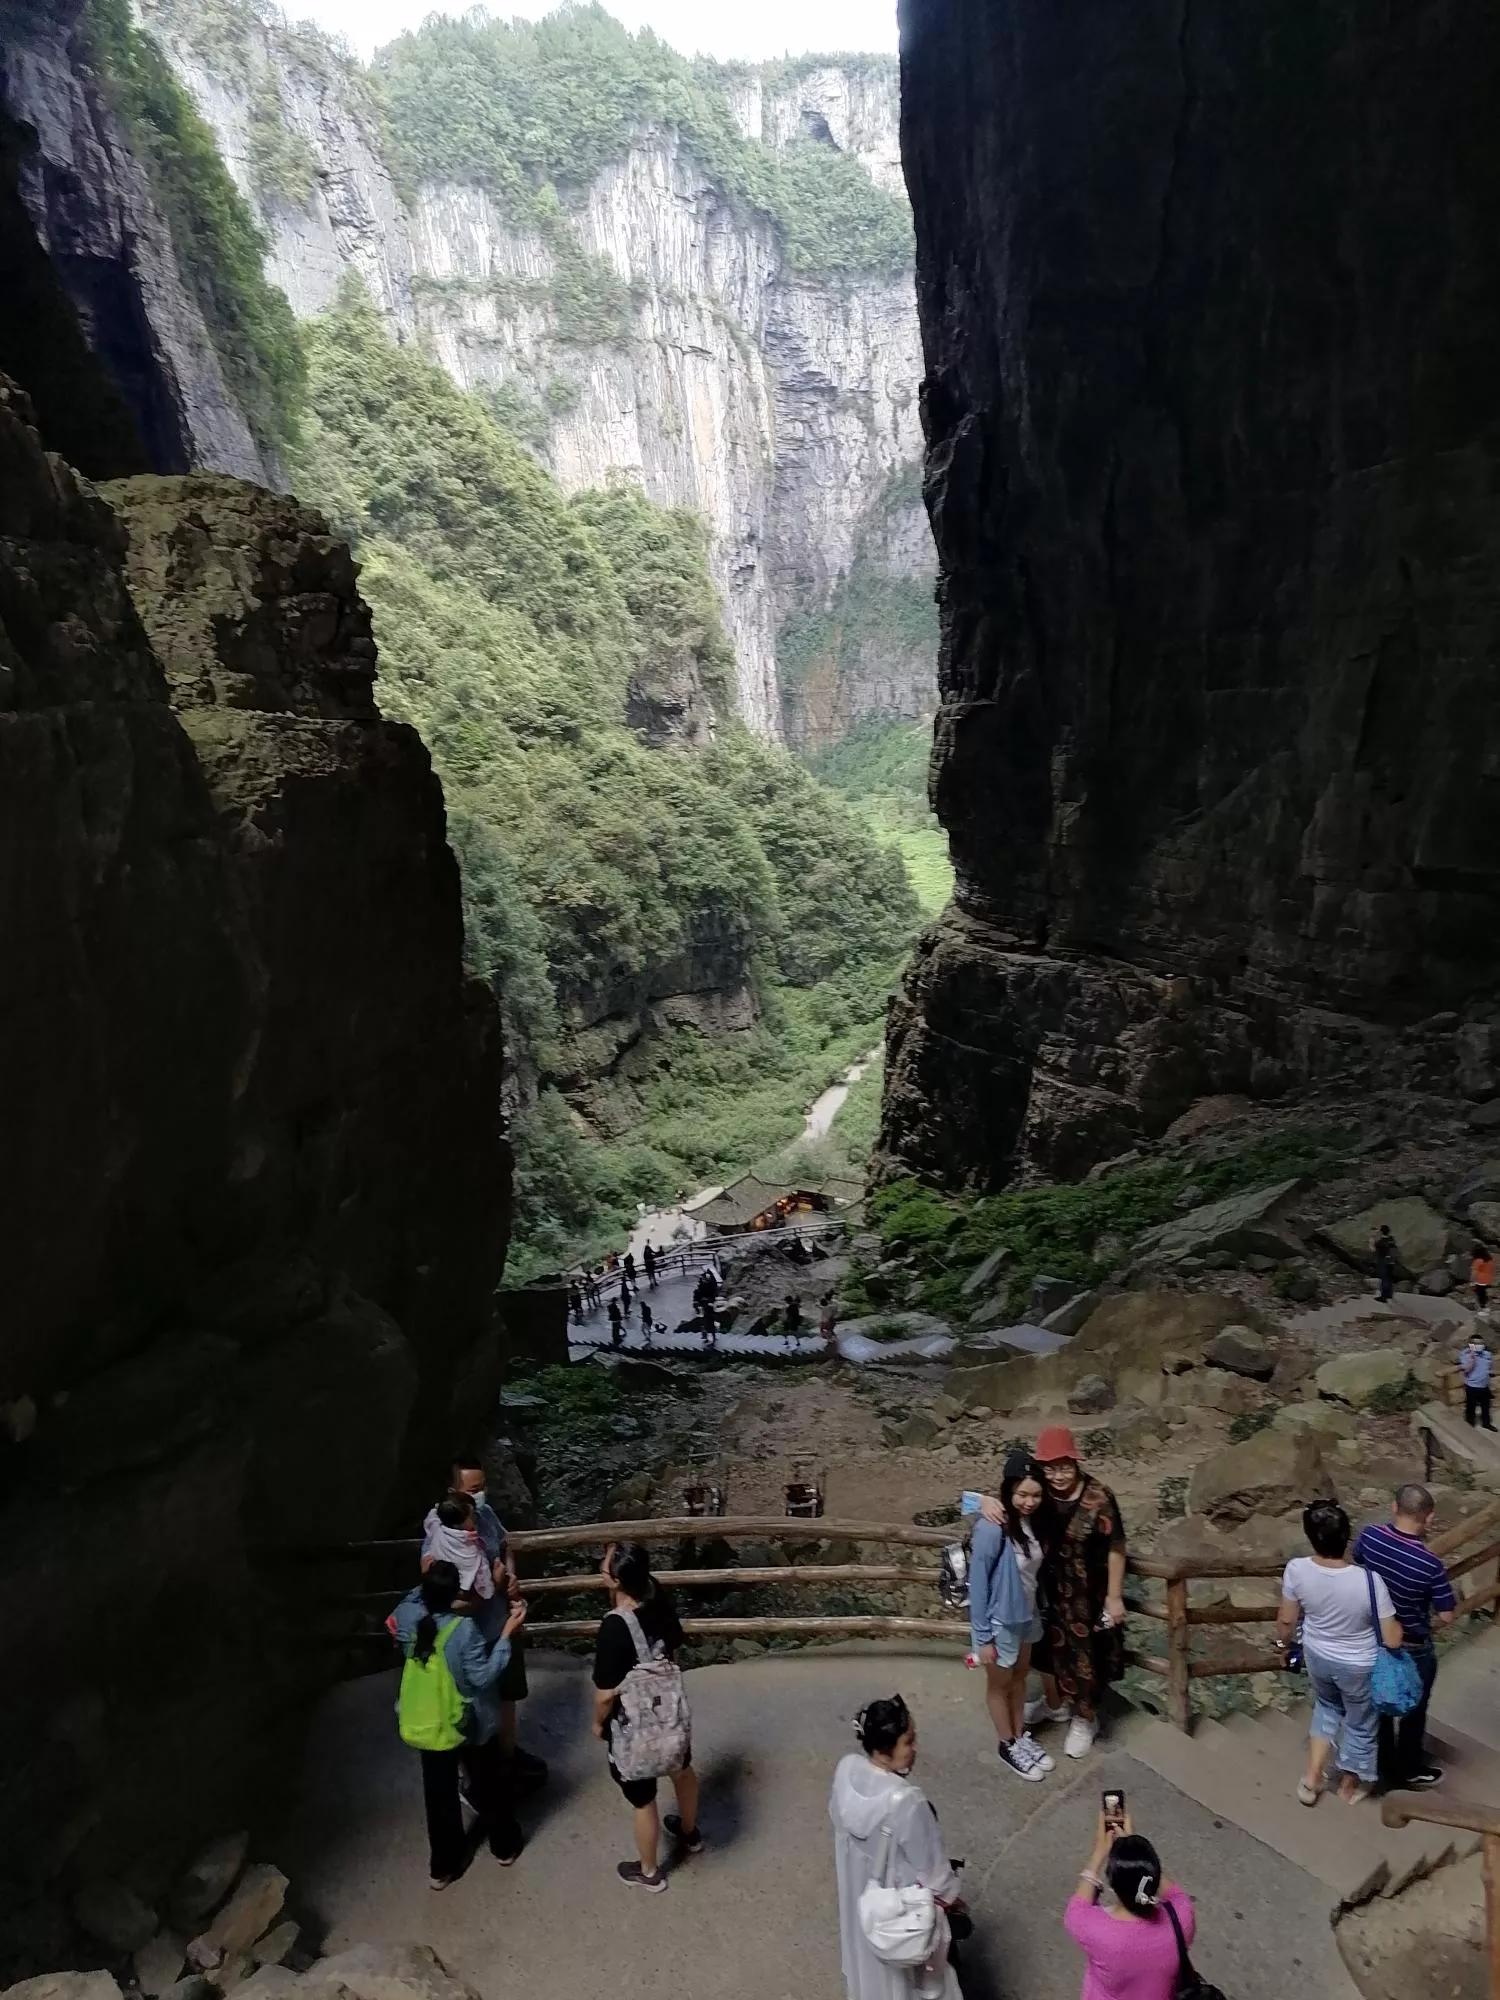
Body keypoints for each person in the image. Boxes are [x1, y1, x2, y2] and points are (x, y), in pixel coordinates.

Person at [986, 1425, 1126, 1758]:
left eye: (1064, 1467)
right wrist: (983, 1502)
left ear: (1075, 1464)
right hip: (1045, 1590)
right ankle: (1056, 1705)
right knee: (1045, 1651)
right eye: (1050, 1467)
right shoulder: (1040, 1493)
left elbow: (1116, 1546)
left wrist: (1114, 1596)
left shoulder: (1099, 1497)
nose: (1058, 1475)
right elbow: (1010, 1499)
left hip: (1087, 1594)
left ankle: (1085, 1719)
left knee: (1086, 1656)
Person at [390, 1559, 528, 1885]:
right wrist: (506, 1635)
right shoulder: (463, 1630)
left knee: (438, 1794)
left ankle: (443, 1866)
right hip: (468, 1720)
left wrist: (427, 1581)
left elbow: (408, 1603)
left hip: (428, 1719)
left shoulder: (407, 1617)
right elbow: (482, 1677)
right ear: (456, 1595)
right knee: (489, 1781)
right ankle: (504, 1846)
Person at [829, 1695, 965, 2000]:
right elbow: (934, 1873)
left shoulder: (847, 1769)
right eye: (908, 1741)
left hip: (861, 1892)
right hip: (899, 1904)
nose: (915, 1748)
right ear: (883, 1750)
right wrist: (953, 1899)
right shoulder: (905, 1800)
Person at [424, 1458, 547, 1786]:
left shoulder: (487, 1515)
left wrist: (510, 1577)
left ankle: (508, 1757)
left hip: (502, 1622)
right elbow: (439, 1591)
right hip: (471, 1635)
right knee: (473, 1707)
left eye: (483, 1487)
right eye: (473, 1490)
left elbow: (504, 1547)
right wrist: (491, 1585)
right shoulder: (441, 1532)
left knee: (507, 1695)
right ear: (454, 1491)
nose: (480, 1495)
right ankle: (475, 1778)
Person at [1276, 1499, 1401, 1805]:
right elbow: (1391, 1638)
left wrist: (1284, 1646)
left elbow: (1287, 1620)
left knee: (1326, 1708)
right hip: (1358, 1664)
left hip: (1317, 1654)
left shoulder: (1296, 1569)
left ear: (1311, 1536)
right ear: (1347, 1537)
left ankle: (1311, 1779)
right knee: (1360, 1722)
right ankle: (1349, 1785)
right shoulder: (1369, 1581)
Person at [592, 1541, 700, 1893]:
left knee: (642, 1797)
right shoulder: (657, 1596)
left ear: (616, 1581)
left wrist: (597, 1723)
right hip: (670, 1711)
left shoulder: (615, 1626)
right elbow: (674, 1644)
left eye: (605, 1565)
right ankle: (689, 1833)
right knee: (682, 1769)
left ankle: (650, 1872)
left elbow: (605, 1694)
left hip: (633, 1724)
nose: (601, 1567)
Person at [1355, 1483, 1457, 1790]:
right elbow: (1447, 1614)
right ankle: (1409, 1767)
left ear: (1394, 1507)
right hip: (1413, 1646)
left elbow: (1358, 1563)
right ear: (1429, 1518)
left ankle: (1383, 1763)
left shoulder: (1370, 1536)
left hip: (1373, 1637)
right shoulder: (1430, 1564)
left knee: (1380, 1703)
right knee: (1414, 1708)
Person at [970, 1452, 1056, 1780]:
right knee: (999, 1683)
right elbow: (979, 1583)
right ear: (1009, 1491)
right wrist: (982, 1637)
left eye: (1036, 1495)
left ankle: (1020, 1736)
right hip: (999, 1621)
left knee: (1019, 1677)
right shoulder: (992, 1527)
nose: (1029, 1502)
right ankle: (1006, 1743)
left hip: (1027, 1614)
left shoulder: (1034, 1522)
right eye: (1022, 1494)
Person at [1064, 1808, 1196, 2000]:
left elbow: (1077, 1907)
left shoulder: (1094, 1929)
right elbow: (1173, 1892)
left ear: (1112, 1883)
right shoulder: (1182, 1916)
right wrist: (1135, 1854)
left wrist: (1099, 1851)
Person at [1459, 1331, 1495, 1429]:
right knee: (1471, 1408)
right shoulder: (1465, 1354)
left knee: (1486, 1407)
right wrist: (1472, 1359)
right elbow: (1466, 1370)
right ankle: (1470, 1426)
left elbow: (1490, 1367)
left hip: (1484, 1386)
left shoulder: (1487, 1354)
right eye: (1476, 1343)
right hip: (1472, 1387)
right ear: (1471, 1344)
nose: (1479, 1345)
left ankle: (1486, 1424)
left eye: (1481, 1343)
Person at [1372, 1223, 1399, 1304]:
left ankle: (1383, 1296)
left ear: (1381, 1232)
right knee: (1389, 1278)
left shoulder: (1381, 1242)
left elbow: (1374, 1248)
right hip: (1391, 1261)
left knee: (1384, 1279)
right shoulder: (1391, 1239)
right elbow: (1394, 1250)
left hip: (1384, 1262)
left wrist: (1374, 1236)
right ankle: (1389, 1294)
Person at [1473, 1243, 1495, 1313]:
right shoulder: (1489, 1259)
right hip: (1488, 1279)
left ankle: (1482, 1308)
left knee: (1480, 1294)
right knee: (1485, 1293)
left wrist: (1472, 1281)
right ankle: (1486, 1307)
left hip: (1480, 1280)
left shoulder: (1478, 1261)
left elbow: (1475, 1271)